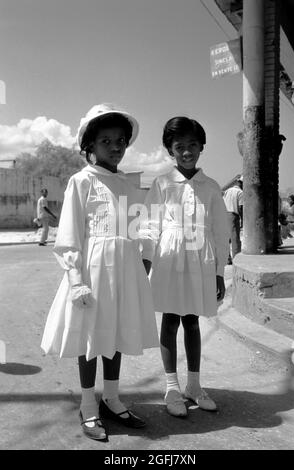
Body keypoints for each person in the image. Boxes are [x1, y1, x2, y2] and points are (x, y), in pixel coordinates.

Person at [41, 103, 159, 441]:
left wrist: (144, 261)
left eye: (120, 140)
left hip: (124, 271)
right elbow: (69, 237)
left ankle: (112, 397)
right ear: (90, 146)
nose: (115, 146)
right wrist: (76, 280)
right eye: (105, 140)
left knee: (116, 333)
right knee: (91, 338)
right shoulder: (81, 182)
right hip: (92, 272)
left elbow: (140, 226)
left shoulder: (128, 184)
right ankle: (88, 404)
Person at [140, 116, 229, 417]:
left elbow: (220, 231)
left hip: (199, 259)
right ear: (170, 150)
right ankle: (171, 387)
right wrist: (145, 263)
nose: (187, 152)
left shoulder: (212, 187)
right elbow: (151, 225)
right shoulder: (162, 183)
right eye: (180, 146)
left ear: (202, 147)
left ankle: (194, 384)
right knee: (170, 320)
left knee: (192, 321)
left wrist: (219, 272)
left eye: (193, 145)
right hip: (169, 258)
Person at [223, 177, 243, 263]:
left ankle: (227, 259)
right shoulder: (240, 192)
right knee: (235, 239)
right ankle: (236, 259)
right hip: (233, 215)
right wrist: (243, 219)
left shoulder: (228, 190)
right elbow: (241, 207)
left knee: (226, 239)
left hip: (224, 214)